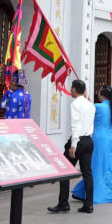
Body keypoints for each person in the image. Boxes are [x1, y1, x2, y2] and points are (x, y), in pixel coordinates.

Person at [72, 86, 112, 204]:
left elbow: (86, 111)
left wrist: (86, 100)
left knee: (96, 165)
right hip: (110, 139)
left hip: (98, 139)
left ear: (101, 94)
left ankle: (95, 194)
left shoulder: (97, 107)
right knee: (110, 165)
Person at [48, 79, 95, 214]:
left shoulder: (75, 104)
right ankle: (89, 204)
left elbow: (76, 125)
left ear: (74, 89)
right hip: (89, 141)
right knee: (87, 173)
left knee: (65, 170)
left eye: (71, 88)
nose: (70, 90)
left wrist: (73, 145)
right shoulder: (91, 105)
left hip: (78, 141)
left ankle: (63, 203)